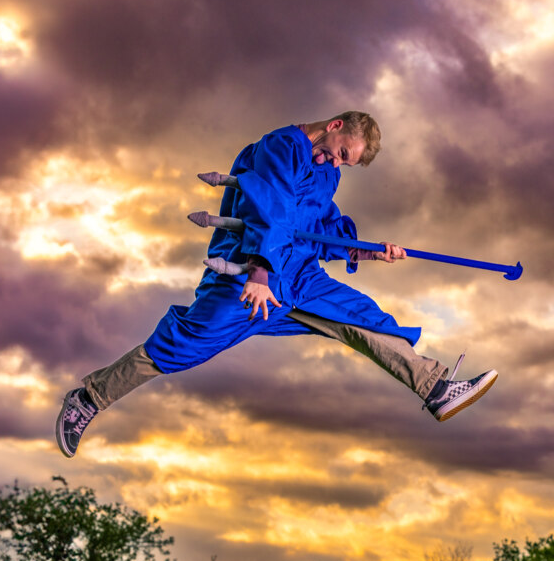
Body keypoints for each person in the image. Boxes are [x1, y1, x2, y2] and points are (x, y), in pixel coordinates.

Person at [55, 113, 497, 458]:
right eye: (340, 151)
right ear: (335, 126)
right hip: (250, 274)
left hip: (301, 276)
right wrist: (260, 272)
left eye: (346, 162)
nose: (335, 163)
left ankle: (435, 386)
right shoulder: (281, 146)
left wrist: (364, 250)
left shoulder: (328, 174)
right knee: (184, 344)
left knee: (363, 320)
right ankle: (89, 397)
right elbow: (271, 207)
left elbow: (320, 227)